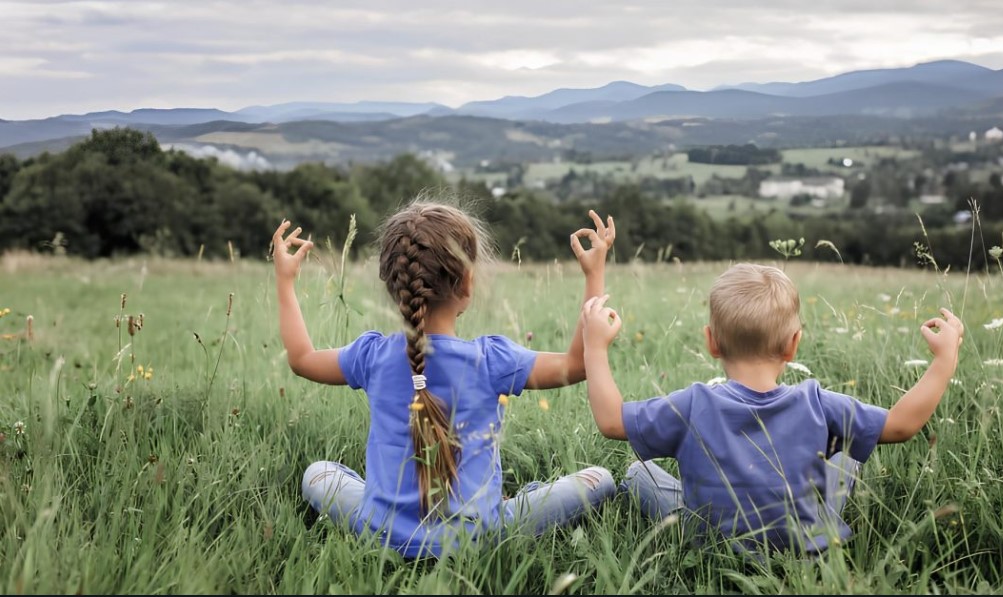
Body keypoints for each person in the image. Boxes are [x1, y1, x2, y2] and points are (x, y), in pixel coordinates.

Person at [271, 197, 619, 559]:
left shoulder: (371, 356)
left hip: (382, 534)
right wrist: (594, 274)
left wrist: (285, 281)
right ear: (467, 282)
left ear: (393, 283)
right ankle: (513, 500)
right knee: (599, 479)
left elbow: (302, 359)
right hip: (479, 540)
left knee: (318, 473)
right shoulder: (490, 361)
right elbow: (578, 365)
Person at [579, 262, 964, 557]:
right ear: (793, 344)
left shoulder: (693, 404)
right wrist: (944, 359)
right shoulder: (818, 403)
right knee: (846, 459)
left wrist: (594, 347)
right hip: (809, 547)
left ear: (711, 342)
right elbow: (901, 425)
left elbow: (611, 421)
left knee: (637, 472)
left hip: (710, 545)